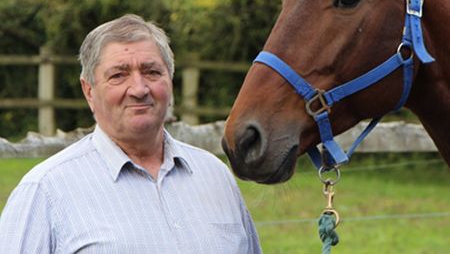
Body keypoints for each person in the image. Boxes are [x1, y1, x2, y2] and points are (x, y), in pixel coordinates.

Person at [0, 14, 261, 253]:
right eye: (118, 75)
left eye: (151, 72)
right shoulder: (45, 190)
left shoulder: (215, 176)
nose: (138, 88)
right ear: (89, 91)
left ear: (169, 80)